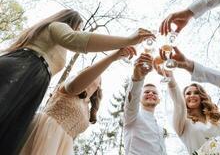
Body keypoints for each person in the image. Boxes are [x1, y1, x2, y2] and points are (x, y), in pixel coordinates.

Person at [0, 9, 154, 154]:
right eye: (78, 29)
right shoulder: (56, 26)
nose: (78, 32)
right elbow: (74, 40)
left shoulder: (87, 109)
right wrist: (127, 41)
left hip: (35, 85)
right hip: (23, 69)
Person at [20, 46, 135, 155]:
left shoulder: (87, 109)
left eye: (95, 74)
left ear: (99, 86)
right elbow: (76, 85)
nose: (91, 74)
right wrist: (113, 57)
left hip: (62, 147)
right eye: (87, 71)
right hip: (44, 134)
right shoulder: (68, 88)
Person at [153, 62, 220, 154]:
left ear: (202, 97)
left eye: (196, 93)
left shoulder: (218, 118)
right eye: (188, 94)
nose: (192, 95)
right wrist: (170, 78)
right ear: (183, 99)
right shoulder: (183, 123)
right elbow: (178, 102)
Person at [123, 53, 167, 155]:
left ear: (159, 100)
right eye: (147, 92)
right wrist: (137, 78)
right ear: (139, 98)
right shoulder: (132, 116)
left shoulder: (159, 128)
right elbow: (131, 100)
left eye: (154, 93)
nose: (151, 93)